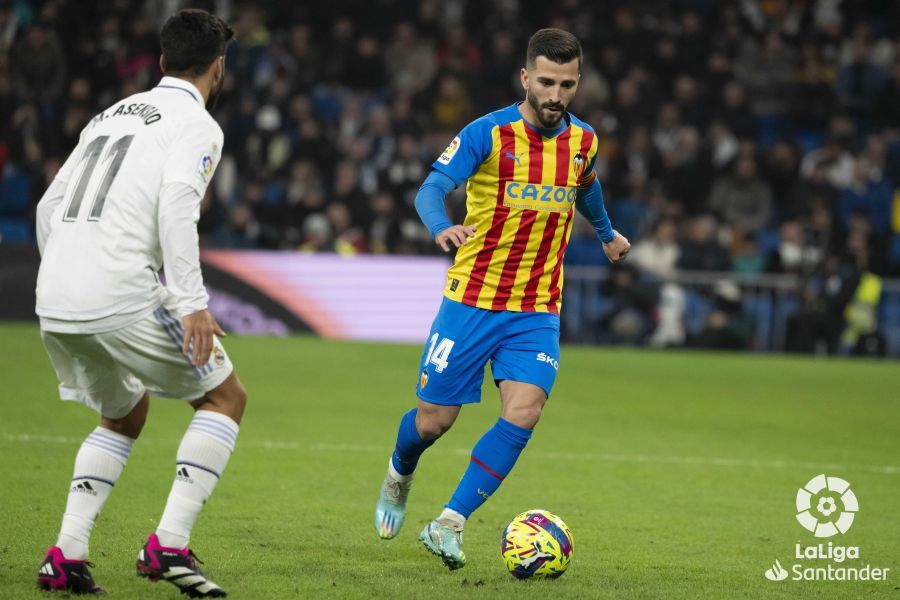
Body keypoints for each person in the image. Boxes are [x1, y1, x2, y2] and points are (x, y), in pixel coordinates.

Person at [374, 28, 630, 570]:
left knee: (526, 409)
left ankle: (450, 521)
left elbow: (587, 186)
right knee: (433, 422)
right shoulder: (486, 134)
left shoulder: (583, 141)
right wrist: (442, 226)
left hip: (537, 308)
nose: (556, 95)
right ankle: (400, 469)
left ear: (577, 82)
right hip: (472, 300)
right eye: (546, 82)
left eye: (567, 84)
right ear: (525, 78)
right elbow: (428, 188)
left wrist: (606, 234)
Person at [34, 10, 245, 597]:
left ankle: (65, 555)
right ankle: (168, 545)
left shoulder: (110, 114)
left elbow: (47, 209)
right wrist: (191, 303)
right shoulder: (197, 124)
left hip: (55, 295)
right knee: (225, 398)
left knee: (125, 412)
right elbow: (178, 202)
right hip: (119, 289)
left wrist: (69, 268)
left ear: (160, 62)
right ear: (217, 69)